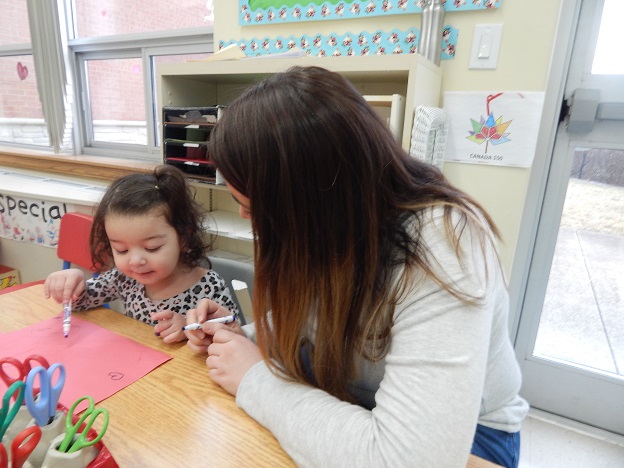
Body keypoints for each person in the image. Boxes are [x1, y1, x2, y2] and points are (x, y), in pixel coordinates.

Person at [185, 66, 529, 467]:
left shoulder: (446, 247)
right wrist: (244, 336)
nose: (248, 219)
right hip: (352, 393)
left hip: (470, 438)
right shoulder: (334, 225)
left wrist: (253, 378)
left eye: (252, 207)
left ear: (310, 201)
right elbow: (326, 312)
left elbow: (405, 460)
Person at [44, 164, 239, 344]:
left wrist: (188, 328)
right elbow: (80, 304)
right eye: (122, 250)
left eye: (152, 248)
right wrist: (74, 283)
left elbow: (232, 334)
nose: (135, 261)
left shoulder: (208, 286)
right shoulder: (124, 279)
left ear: (184, 238)